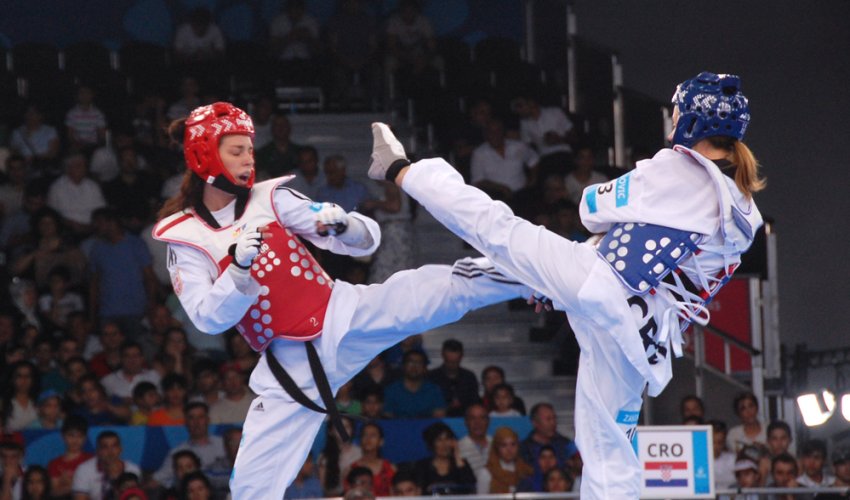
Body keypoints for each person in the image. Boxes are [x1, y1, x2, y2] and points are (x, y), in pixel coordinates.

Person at [367, 71, 765, 499]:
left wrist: (572, 270)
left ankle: (400, 168)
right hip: (642, 337)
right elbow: (652, 249)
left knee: (499, 230)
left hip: (599, 282)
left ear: (690, 122)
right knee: (609, 452)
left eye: (676, 113)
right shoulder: (744, 208)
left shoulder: (679, 169)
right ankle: (526, 280)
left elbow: (592, 207)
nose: (671, 121)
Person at [152, 102, 534, 498]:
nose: (249, 160)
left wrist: (345, 225)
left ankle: (531, 273)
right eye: (237, 151)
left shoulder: (271, 199)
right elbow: (206, 319)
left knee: (436, 290)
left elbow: (367, 240)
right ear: (205, 156)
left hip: (342, 313)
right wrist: (238, 270)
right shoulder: (186, 237)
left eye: (250, 149)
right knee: (252, 487)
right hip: (290, 367)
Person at [72, 431, 142, 500]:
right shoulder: (84, 470)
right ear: (97, 451)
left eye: (114, 446)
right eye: (105, 447)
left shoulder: (132, 469)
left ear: (120, 449)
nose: (110, 452)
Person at [413, 422, 476, 495]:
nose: (444, 444)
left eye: (447, 439)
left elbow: (470, 488)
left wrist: (457, 456)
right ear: (431, 444)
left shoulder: (461, 464)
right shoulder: (422, 466)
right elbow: (418, 493)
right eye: (439, 440)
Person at [426, 339, 480, 417]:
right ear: (443, 356)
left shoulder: (469, 377)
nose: (451, 365)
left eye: (455, 362)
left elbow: (475, 402)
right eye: (449, 362)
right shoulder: (432, 377)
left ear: (461, 357)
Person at [476, 427, 533, 494]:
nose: (509, 449)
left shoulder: (525, 470)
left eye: (513, 444)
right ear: (496, 448)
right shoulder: (486, 473)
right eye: (504, 445)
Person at [457, 403, 492, 475]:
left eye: (482, 418)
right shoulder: (458, 448)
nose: (477, 422)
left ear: (488, 421)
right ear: (466, 422)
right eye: (472, 418)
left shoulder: (498, 444)